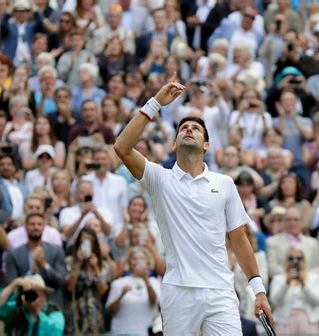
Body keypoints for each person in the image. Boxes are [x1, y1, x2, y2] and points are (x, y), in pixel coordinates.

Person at [114, 75, 272, 334]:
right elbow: (122, 147)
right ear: (174, 143)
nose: (189, 129)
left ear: (207, 145)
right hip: (178, 291)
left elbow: (239, 240)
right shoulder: (159, 178)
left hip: (220, 290)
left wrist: (259, 292)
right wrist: (155, 103)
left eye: (196, 128)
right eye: (183, 127)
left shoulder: (224, 184)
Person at [6, 213, 67, 308]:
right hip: (23, 306)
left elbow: (61, 280)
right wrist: (31, 274)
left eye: (39, 224)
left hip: (51, 306)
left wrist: (44, 265)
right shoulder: (14, 254)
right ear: (25, 226)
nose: (36, 227)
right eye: (32, 224)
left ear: (44, 227)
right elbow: (12, 283)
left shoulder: (56, 250)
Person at [65, 226, 113, 334]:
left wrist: (95, 268)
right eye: (83, 241)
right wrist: (78, 263)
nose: (86, 244)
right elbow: (70, 287)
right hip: (75, 315)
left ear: (95, 243)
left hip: (95, 315)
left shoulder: (102, 265)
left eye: (89, 241)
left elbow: (102, 291)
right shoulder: (70, 261)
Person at [106, 246, 161, 335]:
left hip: (146, 332)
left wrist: (146, 280)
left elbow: (153, 301)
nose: (138, 261)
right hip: (121, 332)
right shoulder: (118, 283)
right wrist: (121, 295)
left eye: (142, 258)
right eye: (134, 258)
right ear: (129, 262)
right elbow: (110, 311)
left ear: (148, 262)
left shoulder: (154, 282)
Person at [269, 247, 319, 334]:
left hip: (309, 321)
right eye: (291, 258)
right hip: (284, 322)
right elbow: (275, 302)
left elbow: (317, 301)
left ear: (304, 260)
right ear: (286, 260)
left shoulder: (313, 277)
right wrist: (286, 284)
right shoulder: (278, 278)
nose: (295, 261)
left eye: (299, 258)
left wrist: (303, 285)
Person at [0, 274, 65, 335]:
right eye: (28, 294)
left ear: (44, 295)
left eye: (35, 294)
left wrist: (37, 313)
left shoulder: (54, 312)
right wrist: (14, 284)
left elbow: (54, 331)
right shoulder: (17, 309)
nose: (31, 297)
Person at [266, 206, 319, 277]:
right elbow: (272, 268)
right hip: (284, 283)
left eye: (296, 220)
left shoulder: (314, 243)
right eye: (289, 220)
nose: (292, 223)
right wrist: (291, 274)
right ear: (283, 222)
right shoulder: (272, 242)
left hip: (310, 283)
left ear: (302, 222)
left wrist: (305, 275)